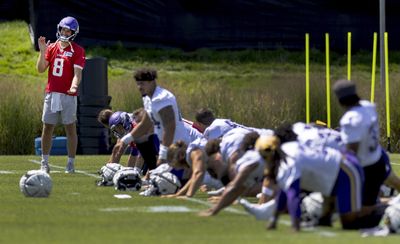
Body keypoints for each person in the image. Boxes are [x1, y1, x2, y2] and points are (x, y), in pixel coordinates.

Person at [333, 80, 400, 207]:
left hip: (367, 167)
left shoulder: (350, 120)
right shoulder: (368, 106)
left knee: (364, 207)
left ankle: (394, 207)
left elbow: (352, 153)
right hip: (378, 156)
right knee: (392, 183)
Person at [116, 68, 202, 166]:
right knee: (142, 140)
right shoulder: (148, 97)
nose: (139, 87)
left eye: (142, 83)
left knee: (177, 180)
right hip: (166, 144)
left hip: (178, 147)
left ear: (152, 82)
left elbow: (170, 128)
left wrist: (163, 154)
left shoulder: (162, 98)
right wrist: (126, 140)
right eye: (138, 84)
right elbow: (146, 123)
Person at [36, 16, 85, 173]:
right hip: (52, 93)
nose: (64, 32)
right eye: (63, 29)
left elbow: (77, 74)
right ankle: (44, 162)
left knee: (70, 128)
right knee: (47, 127)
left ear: (73, 32)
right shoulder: (52, 47)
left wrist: (74, 86)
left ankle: (70, 163)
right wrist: (42, 51)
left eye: (67, 30)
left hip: (68, 95)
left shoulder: (78, 50)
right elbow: (41, 69)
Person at [97, 108, 159, 174]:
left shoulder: (135, 126)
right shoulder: (126, 125)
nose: (118, 131)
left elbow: (142, 154)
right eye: (116, 129)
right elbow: (131, 151)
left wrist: (136, 171)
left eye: (119, 128)